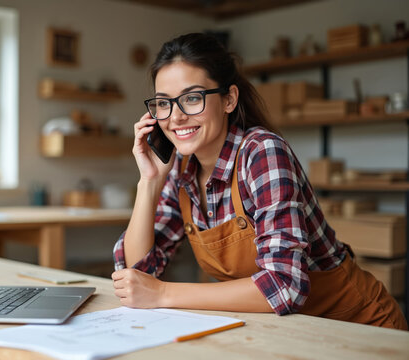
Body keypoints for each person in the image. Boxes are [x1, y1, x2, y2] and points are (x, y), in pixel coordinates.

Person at [111, 32, 407, 330]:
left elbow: (284, 286)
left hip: (359, 327)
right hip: (289, 331)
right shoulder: (180, 171)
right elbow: (136, 274)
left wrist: (163, 294)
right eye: (163, 103)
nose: (175, 117)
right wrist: (148, 182)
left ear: (229, 99)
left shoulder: (262, 153)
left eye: (192, 98)